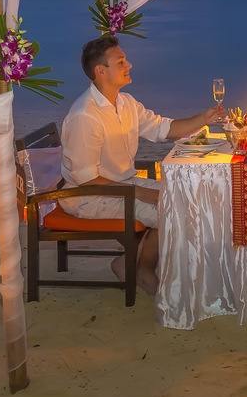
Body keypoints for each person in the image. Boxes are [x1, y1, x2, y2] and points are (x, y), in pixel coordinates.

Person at [60, 35, 225, 296]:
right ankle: (144, 272)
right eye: (121, 62)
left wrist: (204, 118)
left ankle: (127, 263)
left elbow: (164, 128)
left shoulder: (125, 103)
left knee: (183, 198)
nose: (130, 65)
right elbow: (86, 179)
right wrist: (140, 192)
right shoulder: (85, 116)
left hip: (122, 184)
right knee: (169, 211)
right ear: (101, 71)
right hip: (89, 196)